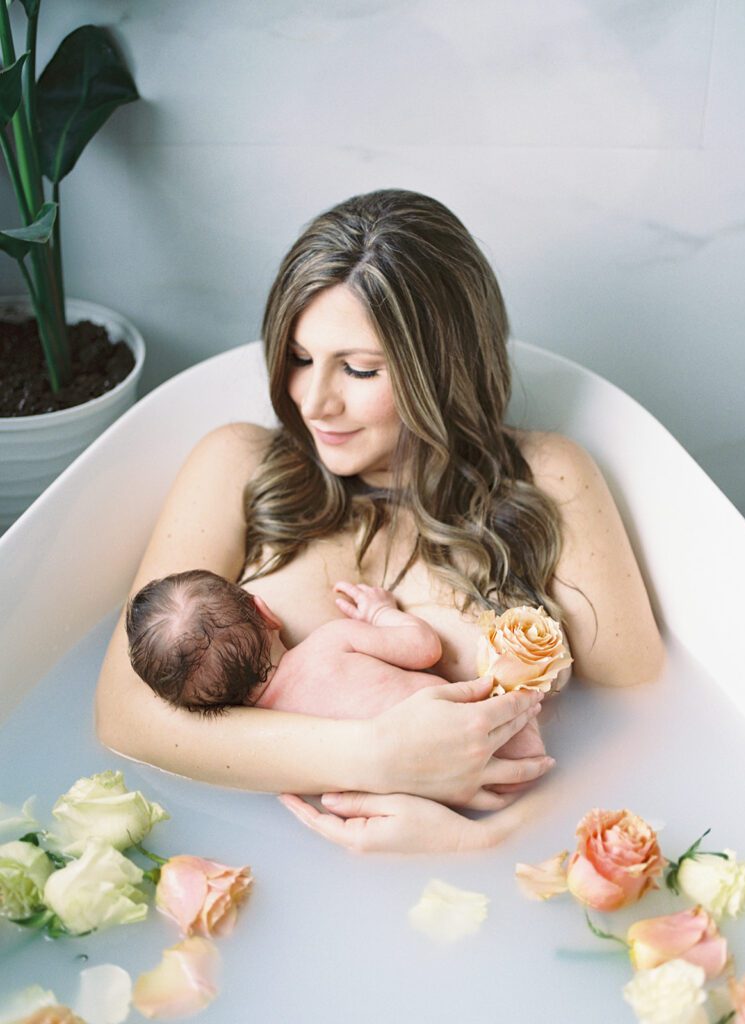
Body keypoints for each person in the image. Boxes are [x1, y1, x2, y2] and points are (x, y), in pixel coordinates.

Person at [96, 188, 664, 853]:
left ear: (443, 368)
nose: (313, 401)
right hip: (248, 859)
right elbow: (126, 716)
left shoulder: (549, 477)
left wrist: (485, 842)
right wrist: (372, 756)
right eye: (300, 358)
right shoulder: (237, 465)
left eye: (359, 369)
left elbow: (646, 717)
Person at [124, 570, 548, 757]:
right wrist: (380, 612)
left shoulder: (284, 742)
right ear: (266, 614)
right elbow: (424, 648)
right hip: (498, 729)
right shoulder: (330, 640)